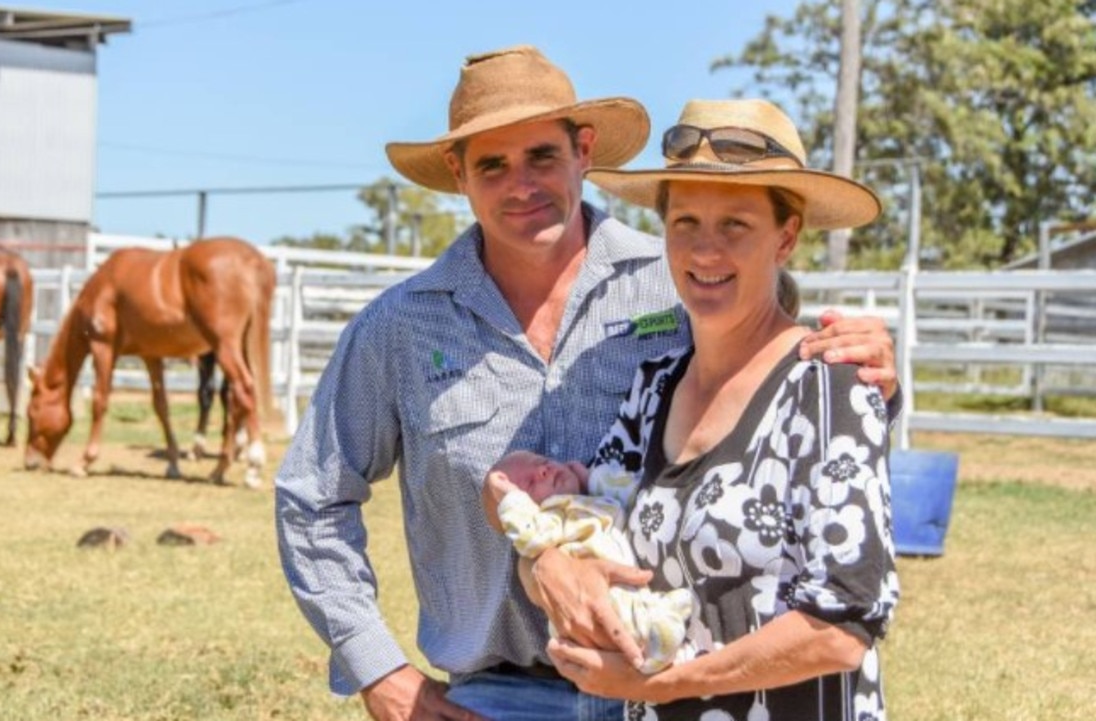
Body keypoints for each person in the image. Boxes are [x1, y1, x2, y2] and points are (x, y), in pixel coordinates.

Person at [274, 45, 899, 721]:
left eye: (542, 155)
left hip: (669, 678)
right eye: (492, 163)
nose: (522, 183)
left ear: (584, 151)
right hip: (495, 692)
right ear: (458, 173)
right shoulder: (400, 327)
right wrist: (379, 668)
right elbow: (312, 495)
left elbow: (780, 405)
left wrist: (872, 382)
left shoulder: (683, 277)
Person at [532, 98, 901, 720]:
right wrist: (545, 555)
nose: (705, 251)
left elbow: (842, 626)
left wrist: (664, 685)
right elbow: (586, 523)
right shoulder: (653, 388)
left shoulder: (829, 390)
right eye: (686, 224)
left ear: (785, 237)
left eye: (736, 225)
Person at [483, 450, 692, 675]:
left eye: (544, 462)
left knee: (642, 605)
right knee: (624, 620)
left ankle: (663, 633)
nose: (543, 470)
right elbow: (529, 537)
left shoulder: (590, 501)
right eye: (530, 483)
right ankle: (659, 649)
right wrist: (509, 497)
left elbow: (639, 494)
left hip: (629, 580)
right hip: (593, 597)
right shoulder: (550, 520)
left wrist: (591, 477)